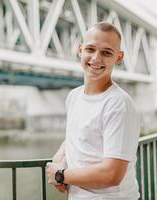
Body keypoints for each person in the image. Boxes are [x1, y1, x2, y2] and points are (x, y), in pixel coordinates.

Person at [46, 22, 140, 200]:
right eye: (90, 49)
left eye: (106, 52)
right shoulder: (73, 97)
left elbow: (112, 174)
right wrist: (59, 157)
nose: (96, 58)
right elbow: (77, 135)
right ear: (80, 50)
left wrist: (61, 175)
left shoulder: (119, 104)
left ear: (118, 58)